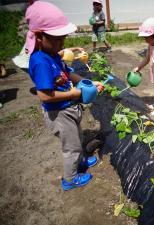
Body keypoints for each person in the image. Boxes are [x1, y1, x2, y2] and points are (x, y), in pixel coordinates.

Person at [25, 1, 104, 191]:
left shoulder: (52, 54)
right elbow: (44, 96)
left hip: (68, 108)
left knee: (76, 138)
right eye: (57, 39)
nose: (61, 44)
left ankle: (81, 161)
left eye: (63, 39)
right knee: (71, 148)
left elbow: (67, 74)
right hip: (59, 113)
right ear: (40, 36)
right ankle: (70, 178)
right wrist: (75, 93)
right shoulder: (41, 61)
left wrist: (88, 83)